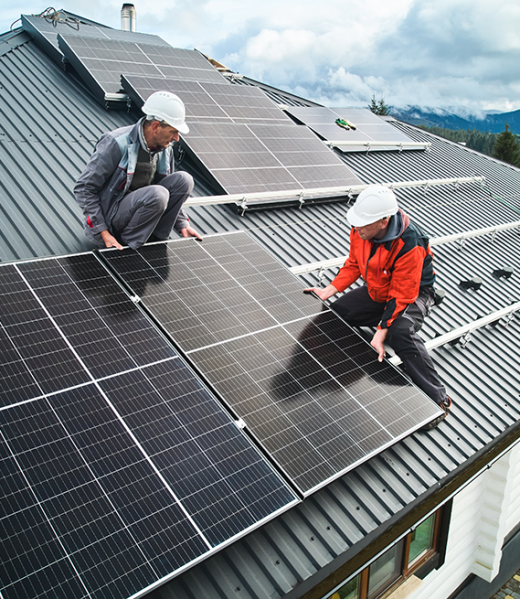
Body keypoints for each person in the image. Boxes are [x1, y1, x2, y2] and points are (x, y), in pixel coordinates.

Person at [305, 185, 451, 429]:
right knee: (336, 313)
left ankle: (438, 399)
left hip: (415, 293)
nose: (357, 228)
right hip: (379, 290)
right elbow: (353, 264)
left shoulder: (410, 242)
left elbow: (402, 293)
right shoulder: (361, 228)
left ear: (384, 221)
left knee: (400, 332)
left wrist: (383, 330)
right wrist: (329, 290)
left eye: (363, 225)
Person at [75, 90, 201, 250]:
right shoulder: (116, 143)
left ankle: (157, 239)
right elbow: (84, 188)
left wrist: (182, 224)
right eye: (173, 131)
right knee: (158, 194)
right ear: (155, 126)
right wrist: (103, 232)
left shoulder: (165, 148)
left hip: (144, 210)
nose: (176, 138)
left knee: (184, 180)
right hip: (113, 218)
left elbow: (172, 192)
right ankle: (131, 249)